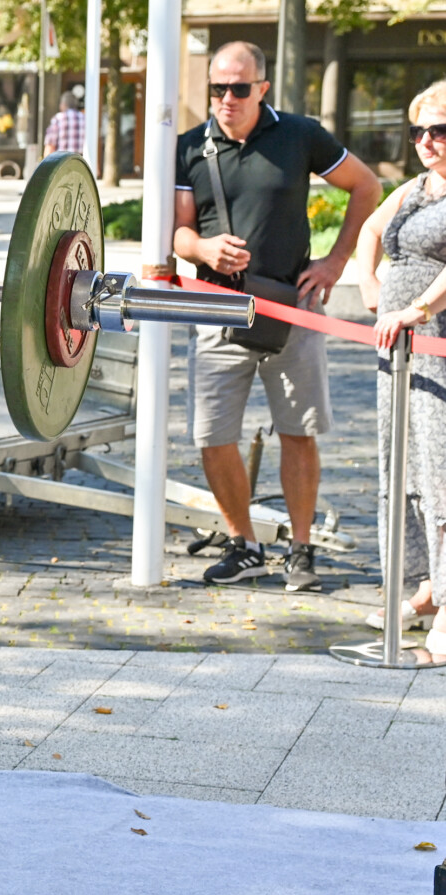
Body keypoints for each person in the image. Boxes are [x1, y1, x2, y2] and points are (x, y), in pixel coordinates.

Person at [173, 40, 382, 590]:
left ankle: (301, 550)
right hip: (216, 309)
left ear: (262, 88)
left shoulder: (300, 134)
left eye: (239, 88)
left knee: (298, 431)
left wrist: (336, 263)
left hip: (293, 306)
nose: (226, 98)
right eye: (217, 88)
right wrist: (203, 249)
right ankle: (243, 544)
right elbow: (179, 233)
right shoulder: (190, 146)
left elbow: (367, 186)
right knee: (211, 434)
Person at [354, 79, 446, 653]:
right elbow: (370, 228)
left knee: (441, 471)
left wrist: (419, 309)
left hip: (436, 345)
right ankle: (425, 587)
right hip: (398, 352)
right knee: (404, 467)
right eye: (417, 131)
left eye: (439, 130)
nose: (426, 141)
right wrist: (368, 280)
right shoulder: (417, 186)